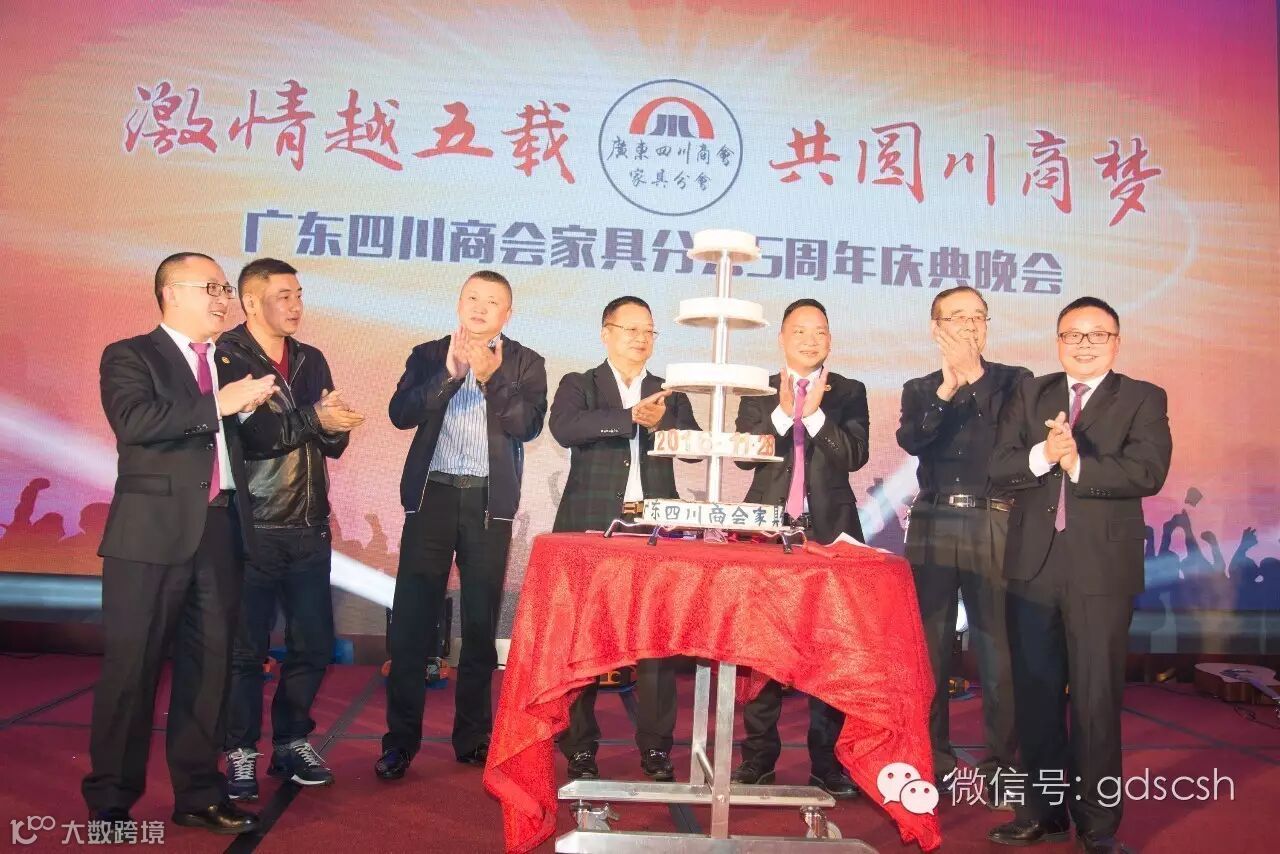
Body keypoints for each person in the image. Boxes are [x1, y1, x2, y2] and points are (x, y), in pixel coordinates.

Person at [82, 252, 277, 834]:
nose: (223, 298)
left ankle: (199, 794)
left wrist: (287, 415)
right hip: (149, 536)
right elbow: (135, 422)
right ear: (170, 292)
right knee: (131, 671)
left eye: (224, 288)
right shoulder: (130, 355)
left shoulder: (230, 362)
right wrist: (221, 404)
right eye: (210, 287)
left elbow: (249, 442)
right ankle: (110, 802)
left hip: (220, 530)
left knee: (210, 671)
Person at [987, 297, 1171, 854]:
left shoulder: (1142, 397)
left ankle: (1098, 826)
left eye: (1097, 334)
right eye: (1073, 334)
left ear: (1116, 341)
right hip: (1033, 564)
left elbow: (1148, 471)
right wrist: (1044, 455)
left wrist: (1077, 464)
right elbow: (998, 467)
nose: (1084, 344)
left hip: (1101, 569)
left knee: (1095, 698)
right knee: (1036, 695)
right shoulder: (1030, 392)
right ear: (1058, 340)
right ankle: (1042, 813)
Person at [376, 270, 548, 780]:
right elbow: (401, 413)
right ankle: (399, 742)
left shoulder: (526, 362)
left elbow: (527, 425)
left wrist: (492, 378)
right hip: (433, 495)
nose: (480, 307)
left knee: (478, 624)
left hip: (488, 504)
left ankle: (473, 737)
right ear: (458, 303)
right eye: (472, 297)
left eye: (492, 301)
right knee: (412, 624)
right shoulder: (429, 354)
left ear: (507, 313)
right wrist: (449, 375)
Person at [216, 258, 365, 800]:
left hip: (309, 525)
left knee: (313, 644)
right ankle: (239, 750)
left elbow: (330, 443)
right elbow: (256, 438)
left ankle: (292, 741)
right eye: (284, 295)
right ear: (251, 302)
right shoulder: (228, 356)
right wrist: (316, 419)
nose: (296, 305)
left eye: (299, 294)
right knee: (245, 650)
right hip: (252, 523)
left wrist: (336, 424)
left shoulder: (310, 358)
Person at [548, 295, 700, 783]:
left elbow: (694, 448)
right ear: (605, 333)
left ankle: (656, 747)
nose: (641, 338)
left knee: (656, 641)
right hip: (591, 527)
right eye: (630, 329)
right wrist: (630, 416)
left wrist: (665, 422)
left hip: (654, 530)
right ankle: (579, 746)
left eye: (648, 331)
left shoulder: (669, 392)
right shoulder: (580, 383)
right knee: (583, 638)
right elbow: (565, 428)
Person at [730, 298, 869, 800]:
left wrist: (813, 418)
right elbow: (745, 456)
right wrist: (782, 412)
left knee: (829, 650)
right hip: (767, 532)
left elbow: (855, 454)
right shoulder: (759, 390)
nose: (811, 340)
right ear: (782, 338)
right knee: (761, 648)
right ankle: (758, 760)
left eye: (820, 332)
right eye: (800, 331)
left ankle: (826, 764)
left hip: (829, 533)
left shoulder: (849, 391)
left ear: (830, 339)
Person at [896, 285, 1029, 806]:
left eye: (978, 317)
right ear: (936, 328)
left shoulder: (1015, 382)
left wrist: (973, 377)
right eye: (957, 318)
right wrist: (949, 388)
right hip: (932, 520)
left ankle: (1002, 767)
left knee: (996, 648)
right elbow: (915, 439)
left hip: (993, 518)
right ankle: (934, 761)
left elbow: (1010, 439)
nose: (970, 326)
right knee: (928, 649)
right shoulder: (920, 388)